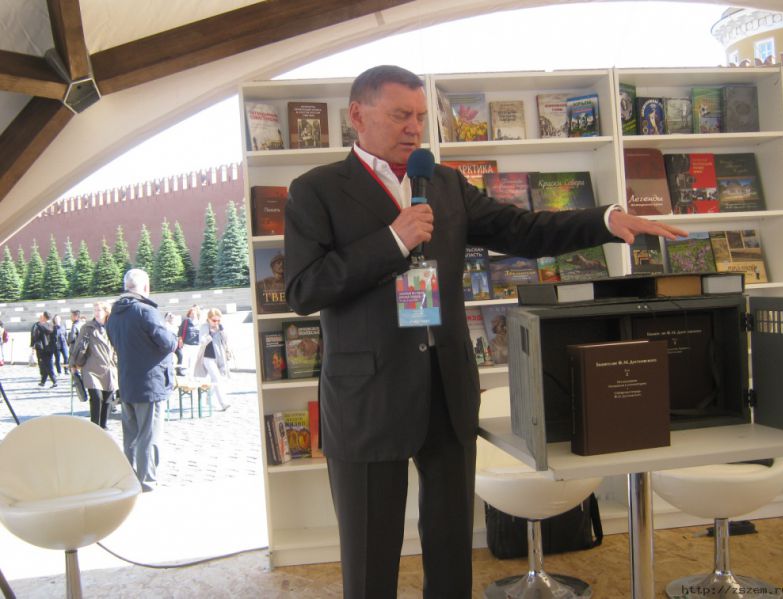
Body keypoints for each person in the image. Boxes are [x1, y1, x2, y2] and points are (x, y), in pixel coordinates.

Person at [283, 65, 687, 598]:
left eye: (420, 116)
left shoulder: (444, 183)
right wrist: (393, 241)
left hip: (447, 388)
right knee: (369, 557)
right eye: (400, 115)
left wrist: (604, 221)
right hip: (367, 396)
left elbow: (523, 230)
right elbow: (303, 290)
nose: (414, 128)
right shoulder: (315, 191)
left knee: (451, 547)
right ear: (357, 115)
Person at [106, 269, 177, 492]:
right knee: (149, 436)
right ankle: (147, 482)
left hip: (127, 383)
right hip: (150, 384)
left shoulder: (114, 315)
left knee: (131, 437)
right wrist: (171, 330)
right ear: (146, 287)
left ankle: (131, 479)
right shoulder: (146, 311)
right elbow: (168, 343)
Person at [69, 302, 118, 429]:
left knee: (108, 399)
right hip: (91, 368)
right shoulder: (87, 327)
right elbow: (78, 346)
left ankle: (103, 426)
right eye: (95, 310)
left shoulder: (113, 327)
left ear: (106, 312)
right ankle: (94, 428)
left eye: (99, 310)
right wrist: (73, 364)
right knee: (96, 398)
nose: (96, 312)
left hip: (109, 368)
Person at [193, 308, 232, 412]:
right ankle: (223, 403)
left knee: (216, 380)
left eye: (218, 320)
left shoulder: (220, 327)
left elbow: (226, 340)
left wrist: (222, 330)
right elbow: (202, 341)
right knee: (216, 379)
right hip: (208, 357)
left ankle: (208, 398)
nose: (216, 322)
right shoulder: (204, 327)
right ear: (209, 319)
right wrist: (210, 334)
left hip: (220, 357)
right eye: (214, 320)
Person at [30, 311, 57, 388]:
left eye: (41, 317)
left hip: (43, 348)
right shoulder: (52, 325)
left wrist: (33, 345)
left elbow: (35, 337)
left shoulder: (39, 326)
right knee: (45, 365)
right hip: (49, 347)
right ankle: (43, 381)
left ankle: (54, 381)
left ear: (44, 317)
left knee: (47, 365)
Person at [177, 305, 201, 376]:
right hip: (186, 345)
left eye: (194, 313)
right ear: (189, 314)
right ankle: (186, 375)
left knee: (193, 361)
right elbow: (180, 332)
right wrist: (180, 340)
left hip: (196, 346)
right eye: (191, 313)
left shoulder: (199, 323)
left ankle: (192, 375)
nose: (193, 314)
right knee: (185, 361)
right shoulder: (185, 321)